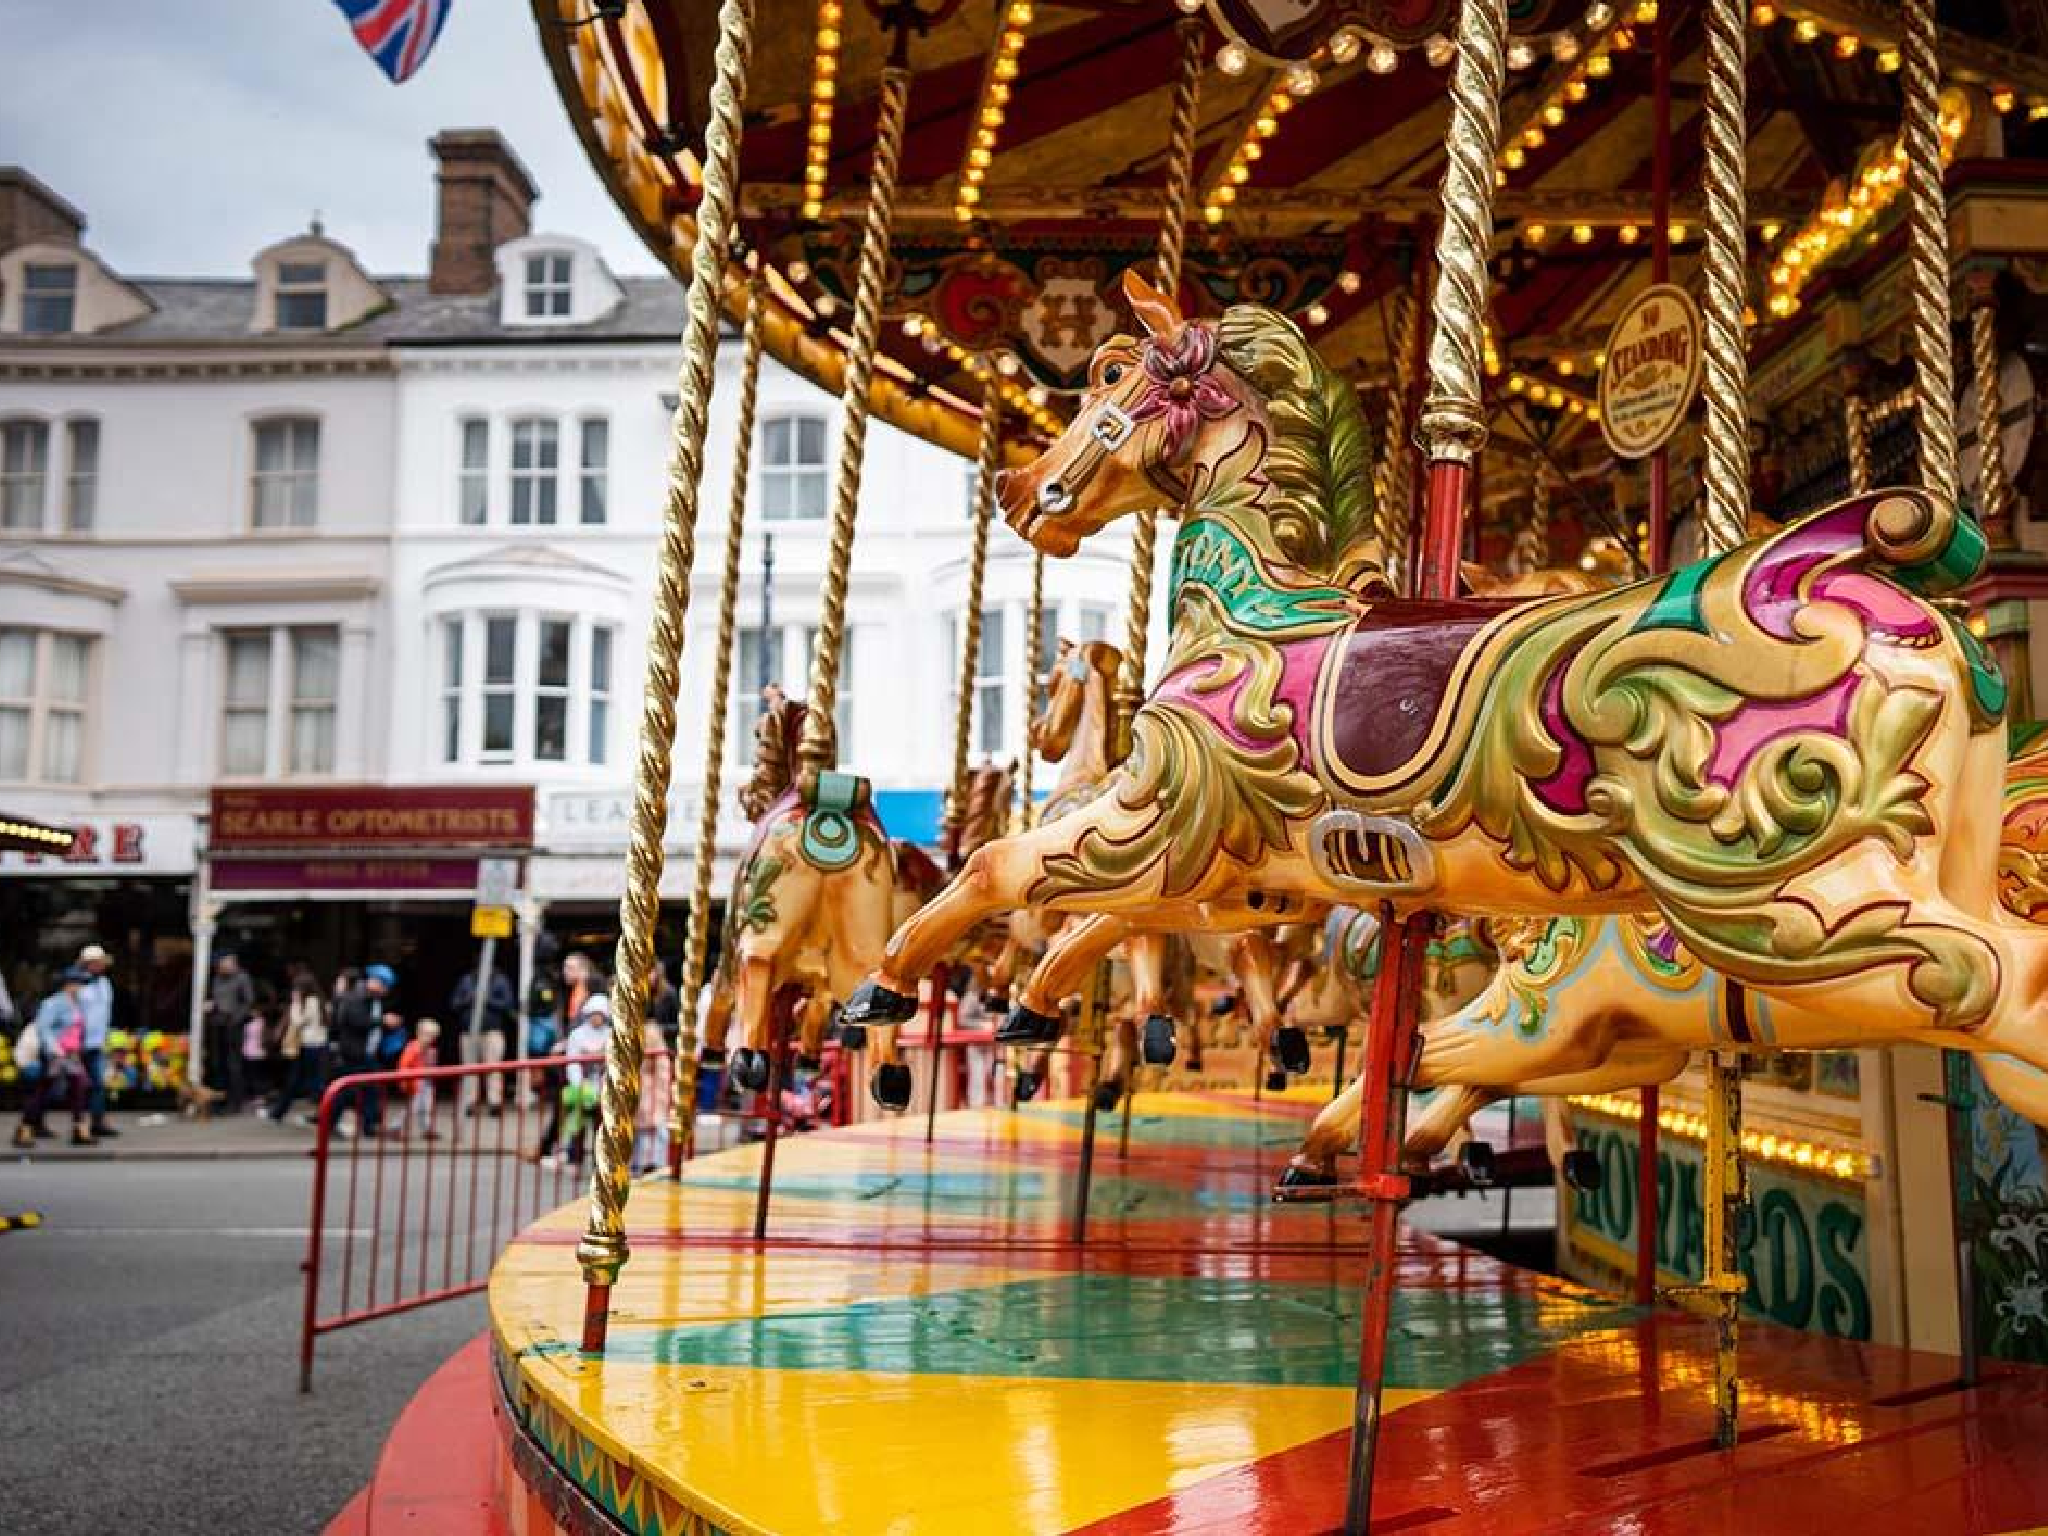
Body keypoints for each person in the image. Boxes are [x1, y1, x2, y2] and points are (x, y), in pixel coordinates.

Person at [14, 968, 94, 1147]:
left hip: (71, 1054)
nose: (81, 987)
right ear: (69, 984)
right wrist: (54, 1049)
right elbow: (43, 1027)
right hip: (58, 1054)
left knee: (79, 1088)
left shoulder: (77, 1003)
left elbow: (78, 1030)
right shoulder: (54, 1003)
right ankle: (25, 1128)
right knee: (43, 1091)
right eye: (78, 983)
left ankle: (79, 1129)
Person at [328, 964, 392, 1138]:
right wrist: (381, 1022)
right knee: (347, 1091)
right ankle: (331, 1122)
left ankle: (369, 1124)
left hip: (362, 1053)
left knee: (370, 1088)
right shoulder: (356, 997)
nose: (386, 991)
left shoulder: (369, 998)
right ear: (376, 982)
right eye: (385, 986)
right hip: (352, 1052)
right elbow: (357, 1022)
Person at [548, 995, 611, 1169]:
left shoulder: (610, 1035)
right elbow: (572, 1061)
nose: (596, 1018)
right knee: (578, 1124)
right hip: (581, 1087)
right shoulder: (577, 1035)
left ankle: (599, 1160)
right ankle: (575, 1158)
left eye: (599, 1014)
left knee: (600, 1126)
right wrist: (579, 1083)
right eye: (593, 1014)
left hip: (602, 1087)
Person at [449, 964, 517, 1115]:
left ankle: (495, 1103)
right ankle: (470, 1102)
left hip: (492, 1031)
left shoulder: (500, 980)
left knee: (493, 1067)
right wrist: (469, 998)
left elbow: (508, 1004)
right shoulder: (466, 980)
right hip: (469, 1032)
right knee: (469, 1068)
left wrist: (487, 999)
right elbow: (454, 1003)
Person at [268, 972, 329, 1124]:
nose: (295, 991)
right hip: (316, 1046)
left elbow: (298, 1022)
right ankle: (279, 1112)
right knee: (308, 1081)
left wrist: (295, 1004)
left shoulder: (310, 1002)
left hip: (310, 1046)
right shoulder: (319, 1001)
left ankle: (279, 1112)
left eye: (297, 988)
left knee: (305, 1081)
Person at [74, 944, 119, 1139]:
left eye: (99, 963)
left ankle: (96, 1121)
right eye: (93, 963)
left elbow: (105, 1015)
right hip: (78, 1042)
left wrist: (107, 1040)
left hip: (97, 1041)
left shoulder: (105, 984)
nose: (97, 966)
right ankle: (81, 1124)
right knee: (77, 1085)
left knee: (97, 1084)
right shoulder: (77, 985)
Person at [204, 953, 255, 1112]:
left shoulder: (242, 978)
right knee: (217, 1063)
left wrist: (236, 1019)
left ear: (233, 964)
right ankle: (219, 1098)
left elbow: (248, 1001)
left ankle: (235, 1101)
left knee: (234, 1063)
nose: (221, 967)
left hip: (233, 1025)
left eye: (224, 964)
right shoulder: (217, 979)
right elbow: (213, 997)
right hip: (217, 1024)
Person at [398, 1018, 442, 1138]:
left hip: (427, 1082)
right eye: (427, 1035)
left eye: (433, 1036)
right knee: (414, 1107)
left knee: (427, 1106)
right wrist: (404, 1080)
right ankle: (397, 1127)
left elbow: (432, 1065)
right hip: (416, 1081)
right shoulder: (412, 1048)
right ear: (419, 1033)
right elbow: (404, 1065)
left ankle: (427, 1128)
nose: (430, 1039)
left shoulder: (431, 1050)